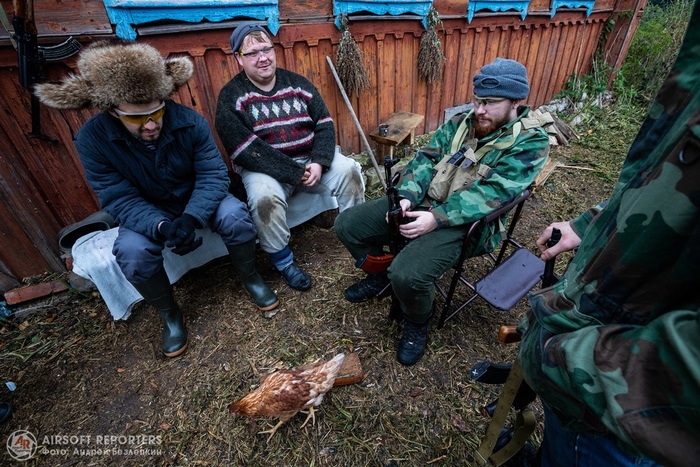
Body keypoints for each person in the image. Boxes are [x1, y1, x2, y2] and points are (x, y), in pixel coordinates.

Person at [517, 3, 700, 465]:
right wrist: (589, 223)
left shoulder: (525, 138)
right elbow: (663, 181)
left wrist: (572, 358)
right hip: (589, 363)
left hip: (625, 420)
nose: (478, 108)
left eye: (489, 100)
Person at [35, 41, 279, 358]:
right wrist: (162, 226)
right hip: (148, 211)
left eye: (156, 112)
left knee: (235, 215)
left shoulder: (190, 122)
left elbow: (213, 174)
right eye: (137, 118)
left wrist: (191, 218)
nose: (151, 125)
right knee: (132, 252)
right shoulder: (91, 140)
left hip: (196, 201)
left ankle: (251, 278)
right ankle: (170, 314)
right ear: (111, 110)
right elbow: (117, 196)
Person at [335, 58, 551, 366]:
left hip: (471, 225)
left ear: (517, 101)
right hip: (427, 202)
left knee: (408, 273)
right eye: (477, 100)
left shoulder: (531, 141)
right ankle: (381, 276)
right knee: (348, 224)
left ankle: (417, 318)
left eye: (489, 103)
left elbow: (494, 194)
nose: (479, 110)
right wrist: (408, 196)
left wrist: (436, 219)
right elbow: (425, 158)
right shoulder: (462, 122)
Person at [214, 22, 365, 292]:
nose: (262, 58)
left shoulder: (298, 84)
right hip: (264, 168)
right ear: (238, 58)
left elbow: (325, 124)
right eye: (252, 53)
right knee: (263, 199)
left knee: (350, 170)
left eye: (266, 49)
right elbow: (245, 150)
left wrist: (319, 160)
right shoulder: (231, 98)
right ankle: (284, 263)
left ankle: (358, 234)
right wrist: (293, 173)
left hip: (310, 159)